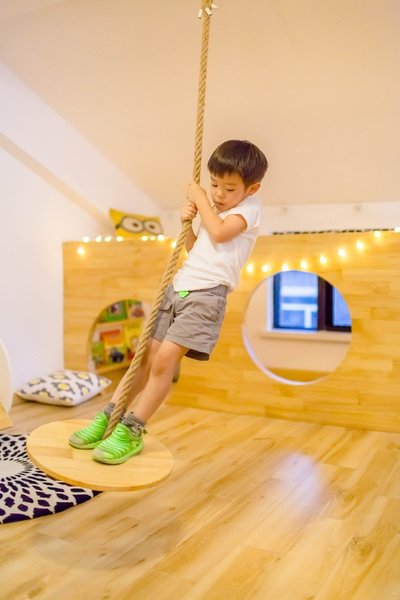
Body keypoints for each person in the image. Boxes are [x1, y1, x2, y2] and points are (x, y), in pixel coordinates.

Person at [69, 139, 268, 464]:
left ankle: (132, 429)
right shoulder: (215, 211)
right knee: (144, 359)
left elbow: (220, 233)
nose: (219, 193)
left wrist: (200, 200)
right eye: (214, 184)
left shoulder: (249, 209)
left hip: (206, 296)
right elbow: (197, 249)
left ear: (252, 188)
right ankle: (109, 416)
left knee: (164, 362)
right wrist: (186, 224)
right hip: (180, 289)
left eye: (229, 188)